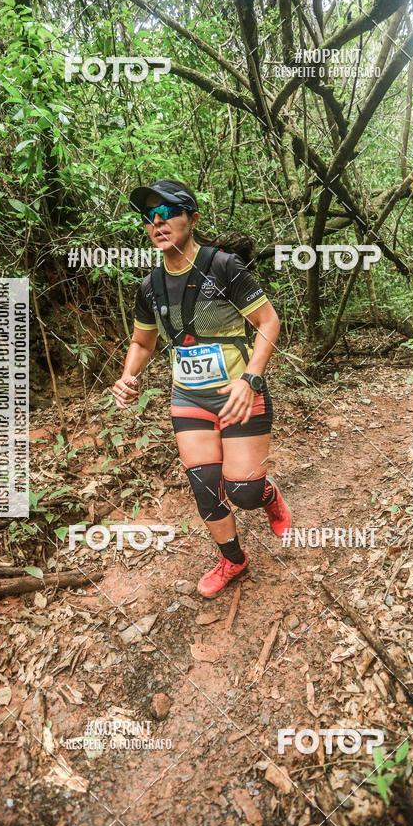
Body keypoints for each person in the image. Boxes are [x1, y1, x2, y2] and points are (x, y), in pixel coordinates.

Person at [111, 179, 291, 598]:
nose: (157, 222)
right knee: (205, 488)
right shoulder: (149, 286)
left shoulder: (224, 267)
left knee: (244, 491)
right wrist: (128, 376)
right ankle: (234, 560)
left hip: (238, 393)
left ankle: (267, 495)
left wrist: (251, 378)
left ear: (192, 218)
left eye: (166, 212)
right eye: (149, 217)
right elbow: (142, 343)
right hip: (189, 397)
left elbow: (268, 321)